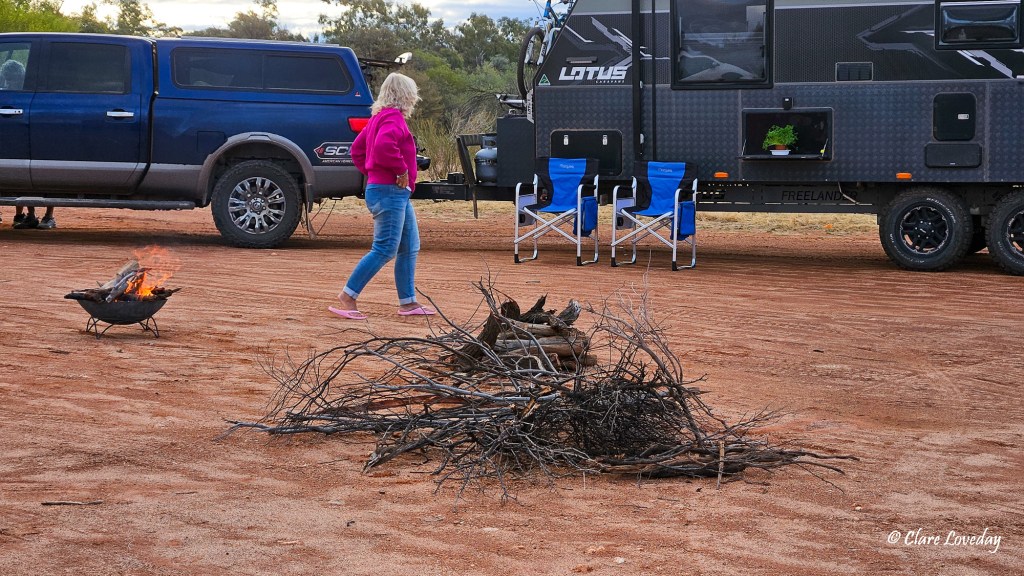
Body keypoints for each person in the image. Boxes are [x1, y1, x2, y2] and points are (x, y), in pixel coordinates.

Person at [330, 72, 434, 320]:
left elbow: (357, 150)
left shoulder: (378, 118)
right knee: (386, 248)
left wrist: (373, 172)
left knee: (409, 246)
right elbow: (384, 146)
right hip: (390, 191)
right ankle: (347, 296)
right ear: (405, 95)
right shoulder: (393, 119)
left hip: (390, 190)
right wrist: (400, 170)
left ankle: (408, 303)